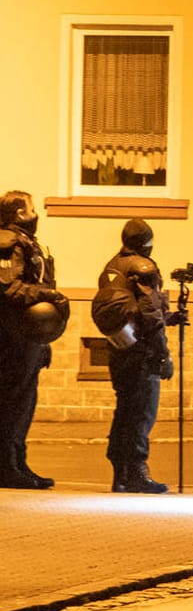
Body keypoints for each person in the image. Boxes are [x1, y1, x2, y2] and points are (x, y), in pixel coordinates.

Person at [90, 220, 186, 494]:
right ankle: (137, 471)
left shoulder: (112, 267)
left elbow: (135, 310)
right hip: (141, 351)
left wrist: (171, 318)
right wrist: (164, 355)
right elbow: (151, 316)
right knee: (143, 412)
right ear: (148, 241)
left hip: (120, 347)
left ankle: (120, 473)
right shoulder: (144, 268)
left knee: (125, 410)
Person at [0, 190, 67, 489]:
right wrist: (47, 295)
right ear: (19, 214)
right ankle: (6, 466)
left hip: (28, 338)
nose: (36, 213)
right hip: (11, 338)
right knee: (12, 403)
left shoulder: (26, 243)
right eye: (31, 208)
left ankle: (19, 463)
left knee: (25, 404)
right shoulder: (8, 244)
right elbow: (9, 288)